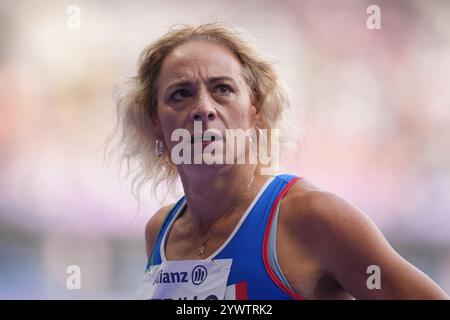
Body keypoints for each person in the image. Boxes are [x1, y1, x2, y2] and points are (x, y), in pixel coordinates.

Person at [113, 23, 449, 300]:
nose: (203, 108)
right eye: (180, 94)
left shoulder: (311, 217)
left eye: (223, 89)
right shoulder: (161, 231)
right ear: (155, 121)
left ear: (255, 108)